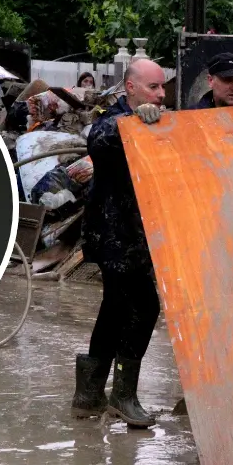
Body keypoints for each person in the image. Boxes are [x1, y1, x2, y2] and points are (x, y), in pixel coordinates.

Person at [72, 58, 166, 428]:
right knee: (144, 307)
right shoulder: (115, 120)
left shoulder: (157, 120)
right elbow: (99, 137)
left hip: (137, 236)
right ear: (130, 88)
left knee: (114, 308)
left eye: (162, 88)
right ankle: (123, 396)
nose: (160, 95)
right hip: (115, 236)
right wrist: (134, 121)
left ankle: (88, 395)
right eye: (152, 88)